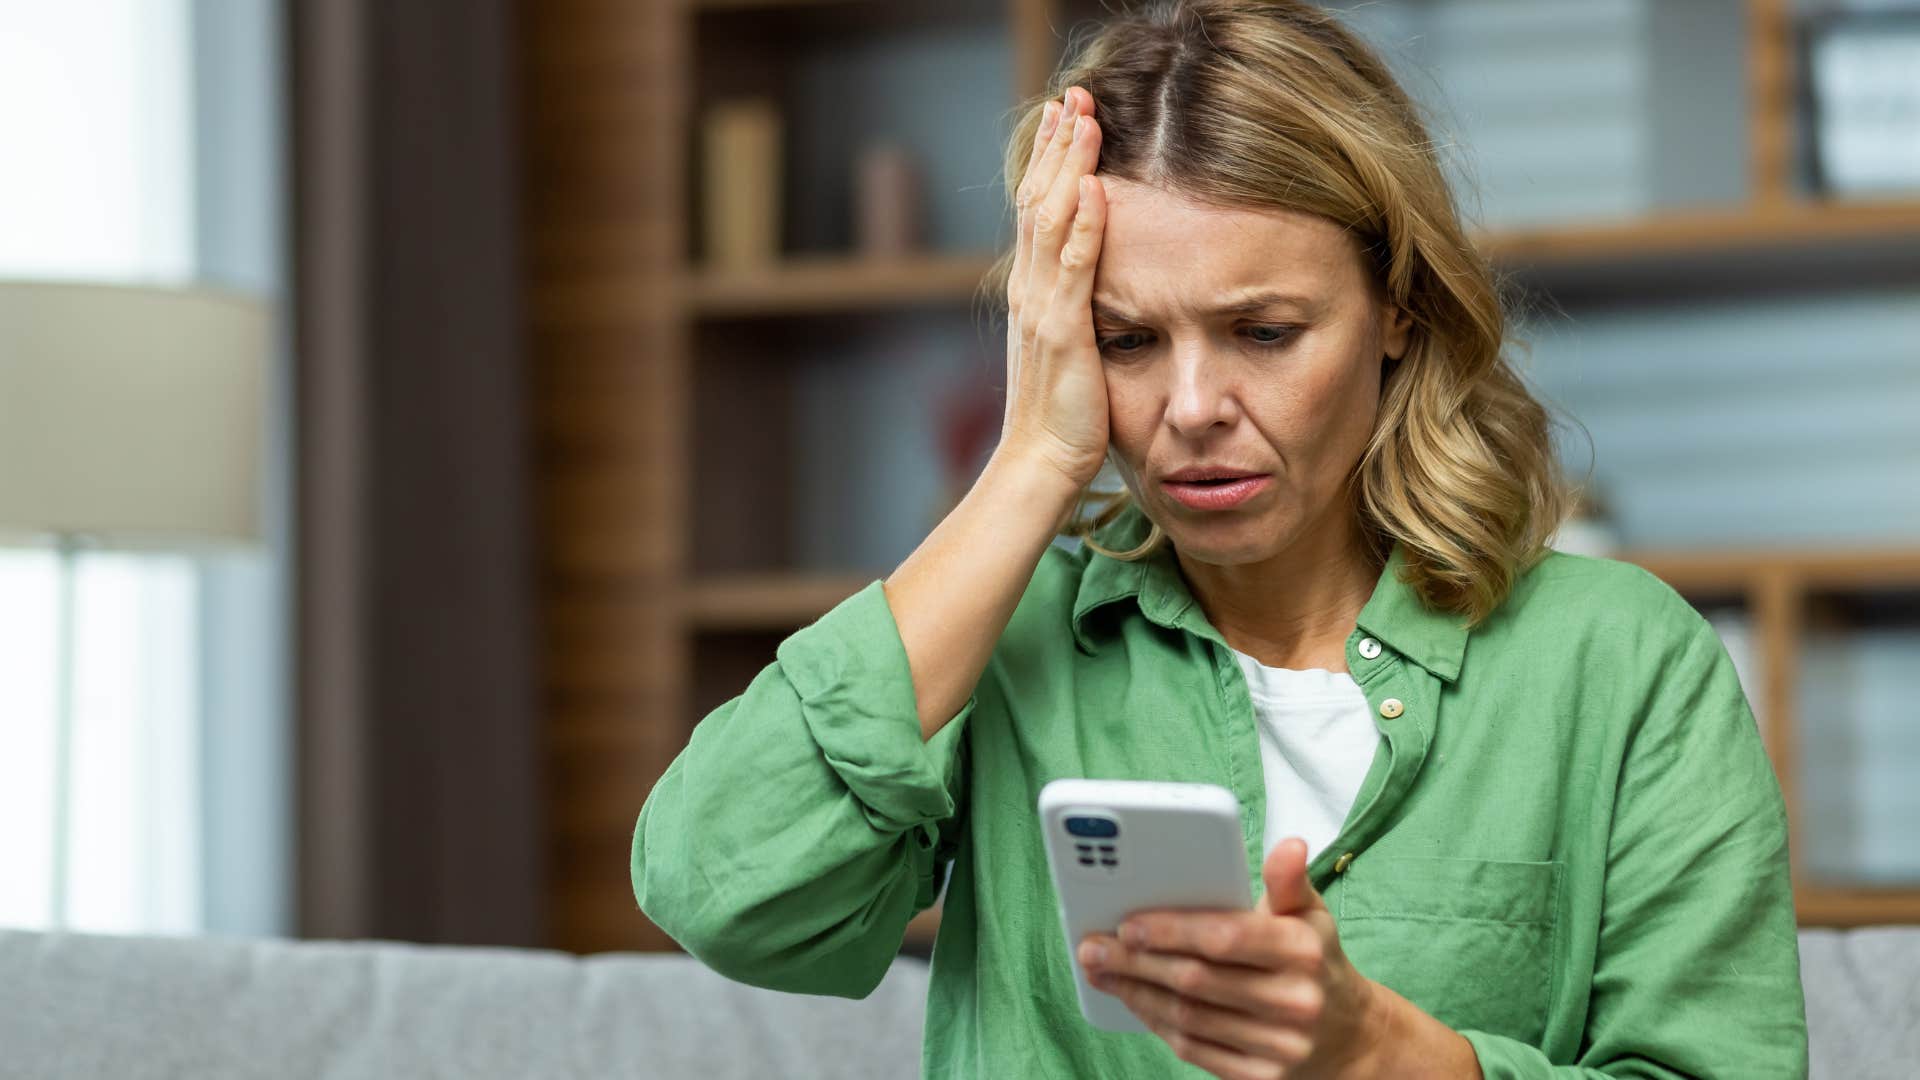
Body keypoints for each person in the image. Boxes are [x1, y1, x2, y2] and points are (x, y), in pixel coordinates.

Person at [631, 2, 1810, 1076]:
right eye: (1128, 341)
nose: (1192, 408)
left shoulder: (1620, 665)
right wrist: (1032, 461)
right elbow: (722, 891)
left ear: (1398, 306)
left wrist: (1388, 1059)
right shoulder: (1005, 645)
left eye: (1263, 330)